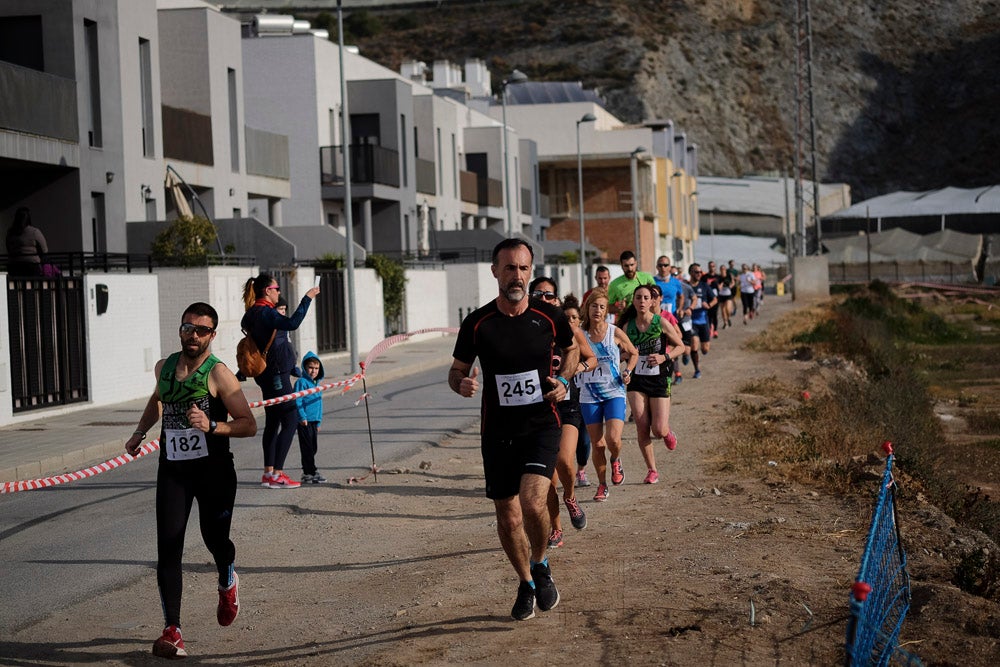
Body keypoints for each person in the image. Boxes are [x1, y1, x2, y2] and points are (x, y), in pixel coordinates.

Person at [448, 238, 579, 621]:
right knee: (508, 517)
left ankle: (540, 561)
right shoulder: (478, 323)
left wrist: (565, 381)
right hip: (497, 432)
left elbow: (572, 350)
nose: (517, 276)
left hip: (542, 424)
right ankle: (526, 581)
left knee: (532, 501)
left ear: (531, 270)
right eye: (510, 268)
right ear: (495, 272)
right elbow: (456, 370)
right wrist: (462, 384)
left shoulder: (548, 316)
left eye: (524, 268)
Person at [124, 302, 258, 660]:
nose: (193, 335)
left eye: (201, 330)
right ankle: (173, 630)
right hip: (173, 470)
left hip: (213, 471)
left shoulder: (219, 374)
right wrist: (140, 431)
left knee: (215, 538)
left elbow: (248, 423)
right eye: (188, 328)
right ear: (181, 330)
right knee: (168, 546)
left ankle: (227, 576)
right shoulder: (164, 367)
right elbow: (158, 399)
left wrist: (214, 426)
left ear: (212, 335)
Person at [527, 277, 595, 550]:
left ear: (555, 300)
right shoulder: (525, 330)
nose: (544, 299)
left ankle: (570, 496)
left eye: (549, 295)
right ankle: (556, 528)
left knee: (565, 460)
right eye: (538, 294)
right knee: (547, 479)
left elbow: (591, 358)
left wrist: (574, 370)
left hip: (567, 404)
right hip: (537, 407)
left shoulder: (567, 329)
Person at [241, 274, 321, 489]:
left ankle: (269, 473)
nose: (279, 292)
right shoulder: (265, 313)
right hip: (276, 373)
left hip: (265, 374)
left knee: (273, 422)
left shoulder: (250, 313)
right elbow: (293, 323)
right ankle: (277, 474)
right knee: (290, 419)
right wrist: (307, 298)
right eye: (276, 288)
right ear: (267, 290)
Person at [617, 285, 685, 484]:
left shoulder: (660, 323)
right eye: (638, 297)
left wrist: (665, 357)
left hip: (659, 379)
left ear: (652, 301)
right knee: (641, 425)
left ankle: (667, 432)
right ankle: (652, 469)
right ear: (634, 301)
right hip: (637, 380)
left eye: (646, 297)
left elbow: (681, 346)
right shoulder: (627, 327)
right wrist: (626, 364)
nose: (642, 301)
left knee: (658, 429)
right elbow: (620, 353)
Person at [577, 286, 637, 502]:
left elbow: (633, 352)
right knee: (598, 444)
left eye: (602, 307)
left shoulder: (615, 332)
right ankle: (602, 485)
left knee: (612, 439)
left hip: (614, 391)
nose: (598, 310)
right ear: (587, 308)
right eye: (594, 306)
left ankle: (616, 460)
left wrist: (628, 370)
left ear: (606, 310)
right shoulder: (580, 335)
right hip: (589, 394)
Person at [295, 352, 327, 484]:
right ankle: (309, 472)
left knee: (313, 447)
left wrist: (319, 421)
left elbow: (319, 404)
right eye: (310, 368)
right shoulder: (301, 382)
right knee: (307, 447)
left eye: (316, 368)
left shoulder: (317, 384)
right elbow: (298, 400)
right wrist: (302, 416)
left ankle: (309, 471)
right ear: (304, 367)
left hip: (314, 421)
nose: (313, 371)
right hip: (305, 421)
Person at [686, 264, 717, 379]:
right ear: (691, 273)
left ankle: (701, 351)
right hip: (690, 320)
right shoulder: (685, 286)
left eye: (700, 272)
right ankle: (697, 369)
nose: (699, 274)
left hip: (703, 320)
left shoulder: (704, 286)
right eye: (696, 272)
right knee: (694, 345)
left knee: (705, 349)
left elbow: (715, 299)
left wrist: (708, 305)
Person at [607, 250, 654, 320]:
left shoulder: (647, 278)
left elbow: (656, 298)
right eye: (626, 266)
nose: (630, 269)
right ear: (621, 266)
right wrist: (619, 308)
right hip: (627, 322)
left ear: (636, 263)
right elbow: (608, 307)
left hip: (647, 320)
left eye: (632, 265)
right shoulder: (615, 284)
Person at [5, 206, 48, 277]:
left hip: (14, 265)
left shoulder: (10, 232)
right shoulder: (34, 232)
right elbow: (44, 250)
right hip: (32, 265)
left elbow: (8, 248)